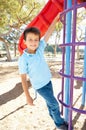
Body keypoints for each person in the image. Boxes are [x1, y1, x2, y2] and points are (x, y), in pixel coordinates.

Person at [18, 14, 68, 130]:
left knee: (50, 104)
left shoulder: (39, 48)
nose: (34, 42)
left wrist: (55, 19)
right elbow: (23, 79)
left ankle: (54, 117)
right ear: (25, 41)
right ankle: (59, 123)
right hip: (40, 87)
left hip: (48, 82)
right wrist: (28, 96)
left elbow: (48, 33)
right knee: (54, 104)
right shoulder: (23, 59)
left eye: (36, 39)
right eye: (30, 39)